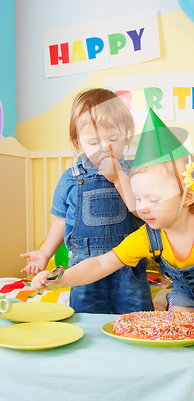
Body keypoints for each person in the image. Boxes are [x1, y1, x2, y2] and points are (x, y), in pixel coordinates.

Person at [32, 109, 194, 341]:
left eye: (154, 199)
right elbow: (100, 264)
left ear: (187, 197)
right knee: (180, 334)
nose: (143, 208)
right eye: (138, 199)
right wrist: (61, 279)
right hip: (186, 293)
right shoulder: (148, 235)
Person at [21, 88, 153, 314]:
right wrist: (44, 253)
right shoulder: (71, 178)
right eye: (93, 142)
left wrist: (118, 177)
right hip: (83, 267)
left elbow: (142, 211)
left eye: (113, 139)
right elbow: (61, 220)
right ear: (78, 143)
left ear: (127, 136)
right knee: (86, 321)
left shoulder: (135, 173)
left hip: (128, 265)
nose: (105, 148)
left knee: (138, 320)